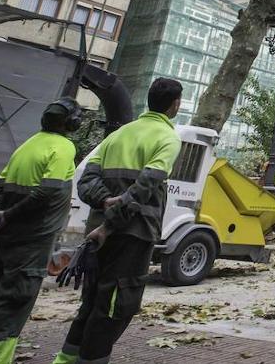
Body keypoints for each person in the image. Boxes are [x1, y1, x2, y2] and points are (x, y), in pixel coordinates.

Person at [52, 78, 183, 364]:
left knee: (90, 303)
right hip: (132, 234)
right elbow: (145, 187)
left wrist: (103, 203)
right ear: (176, 104)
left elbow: (86, 178)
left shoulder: (118, 135)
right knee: (114, 306)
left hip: (98, 235)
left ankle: (65, 359)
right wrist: (110, 224)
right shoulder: (168, 138)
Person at [0, 99, 80, 364]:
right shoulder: (63, 147)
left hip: (5, 238)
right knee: (12, 304)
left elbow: (0, 186)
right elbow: (48, 191)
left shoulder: (26, 145)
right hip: (32, 241)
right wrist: (8, 216)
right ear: (72, 123)